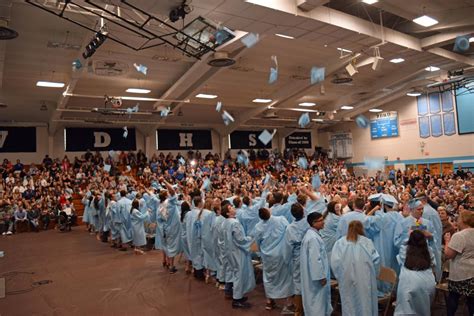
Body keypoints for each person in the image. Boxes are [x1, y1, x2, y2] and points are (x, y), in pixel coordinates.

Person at [331, 220, 380, 316]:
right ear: (361, 229)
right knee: (365, 303)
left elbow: (335, 263)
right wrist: (374, 275)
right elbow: (376, 260)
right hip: (365, 280)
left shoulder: (340, 243)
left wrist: (340, 276)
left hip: (346, 279)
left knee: (349, 302)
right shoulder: (367, 242)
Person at [253, 207, 293, 312]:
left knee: (268, 278)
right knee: (286, 278)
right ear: (269, 212)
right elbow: (289, 232)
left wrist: (260, 254)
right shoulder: (281, 219)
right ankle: (288, 303)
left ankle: (269, 301)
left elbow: (257, 242)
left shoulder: (258, 227)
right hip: (281, 254)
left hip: (267, 256)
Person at [221, 202, 255, 309]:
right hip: (237, 252)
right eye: (231, 207)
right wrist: (251, 238)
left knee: (236, 273)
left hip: (230, 252)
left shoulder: (225, 222)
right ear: (227, 213)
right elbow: (240, 239)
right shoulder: (234, 223)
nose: (233, 208)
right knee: (239, 275)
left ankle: (238, 296)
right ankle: (237, 299)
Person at [394, 230, 436, 315]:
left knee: (405, 310)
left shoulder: (404, 250)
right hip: (427, 282)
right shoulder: (428, 250)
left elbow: (402, 244)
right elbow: (434, 264)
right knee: (423, 310)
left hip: (409, 283)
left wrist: (408, 236)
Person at [300, 212, 332, 316]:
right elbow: (315, 260)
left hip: (312, 276)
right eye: (321, 220)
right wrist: (320, 277)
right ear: (314, 223)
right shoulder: (313, 238)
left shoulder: (313, 235)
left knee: (316, 303)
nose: (324, 222)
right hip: (316, 279)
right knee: (317, 305)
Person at [443, 210, 474, 316]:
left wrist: (447, 241)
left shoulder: (459, 236)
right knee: (471, 301)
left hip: (460, 273)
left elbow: (448, 254)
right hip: (472, 272)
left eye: (459, 218)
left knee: (453, 298)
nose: (457, 220)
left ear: (464, 220)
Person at [285, 202, 310, 316]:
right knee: (310, 280)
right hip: (309, 254)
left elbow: (288, 246)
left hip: (298, 257)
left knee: (298, 283)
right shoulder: (308, 222)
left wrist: (287, 260)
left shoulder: (290, 228)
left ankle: (298, 311)